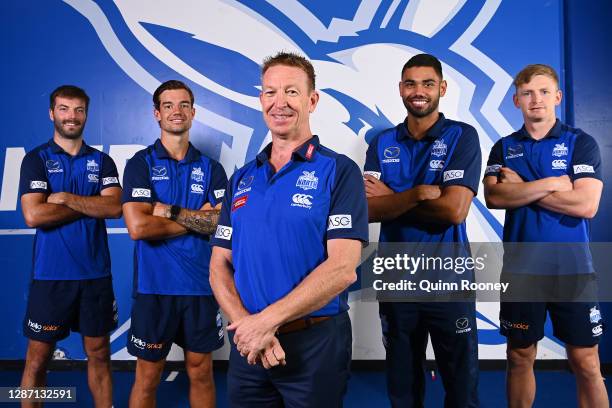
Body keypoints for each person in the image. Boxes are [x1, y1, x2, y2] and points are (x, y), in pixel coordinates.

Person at [209, 51, 368, 408]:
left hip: (315, 344)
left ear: (312, 100)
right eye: (270, 92)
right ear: (261, 99)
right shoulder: (242, 178)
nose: (279, 103)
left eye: (291, 92)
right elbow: (219, 265)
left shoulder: (339, 172)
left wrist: (267, 322)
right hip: (248, 346)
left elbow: (343, 268)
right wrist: (249, 328)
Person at [483, 64, 608, 407]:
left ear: (557, 96)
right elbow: (495, 197)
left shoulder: (580, 143)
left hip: (573, 271)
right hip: (522, 272)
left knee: (586, 361)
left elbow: (585, 204)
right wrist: (553, 184)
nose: (535, 100)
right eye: (526, 93)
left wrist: (522, 188)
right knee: (519, 357)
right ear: (516, 101)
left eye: (542, 91)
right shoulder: (504, 148)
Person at [364, 54, 481, 407]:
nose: (419, 91)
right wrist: (416, 194)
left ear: (442, 88)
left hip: (449, 280)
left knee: (461, 388)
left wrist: (394, 200)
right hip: (397, 281)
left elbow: (454, 210)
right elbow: (368, 210)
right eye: (411, 83)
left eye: (428, 83)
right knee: (403, 388)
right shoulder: (381, 143)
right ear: (401, 89)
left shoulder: (462, 136)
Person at [122, 80, 227, 408]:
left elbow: (221, 224)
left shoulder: (212, 168)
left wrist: (169, 211)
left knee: (200, 370)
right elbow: (139, 227)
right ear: (157, 114)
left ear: (193, 113)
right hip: (155, 289)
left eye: (183, 105)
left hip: (201, 287)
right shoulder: (141, 164)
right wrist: (198, 220)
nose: (176, 112)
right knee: (148, 375)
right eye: (168, 105)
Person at [19, 85, 122, 407]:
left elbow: (115, 208)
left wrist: (64, 199)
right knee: (37, 359)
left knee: (99, 355)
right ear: (52, 113)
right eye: (64, 109)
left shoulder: (102, 162)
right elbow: (34, 214)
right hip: (51, 276)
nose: (71, 116)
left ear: (86, 114)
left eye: (78, 110)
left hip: (95, 276)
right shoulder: (36, 159)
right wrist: (89, 204)